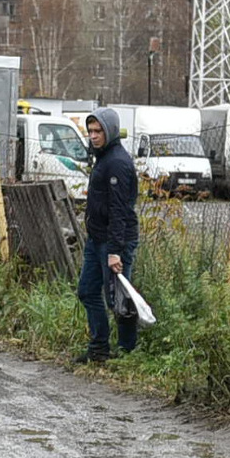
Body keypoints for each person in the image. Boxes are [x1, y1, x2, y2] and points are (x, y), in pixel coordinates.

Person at [76, 108, 142, 363]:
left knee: (120, 299)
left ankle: (126, 352)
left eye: (98, 131)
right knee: (87, 291)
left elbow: (120, 211)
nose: (93, 136)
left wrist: (115, 250)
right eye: (90, 131)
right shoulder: (102, 158)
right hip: (97, 239)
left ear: (110, 131)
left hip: (116, 240)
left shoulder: (117, 162)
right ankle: (99, 348)